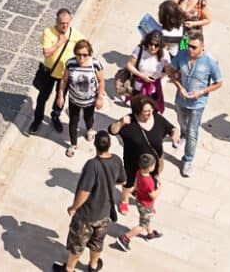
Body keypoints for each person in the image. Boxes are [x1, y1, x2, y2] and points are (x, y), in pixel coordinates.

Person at [61, 130, 128, 268]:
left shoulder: (92, 165)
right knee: (97, 243)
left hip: (86, 215)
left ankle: (69, 269)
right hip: (104, 213)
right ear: (109, 145)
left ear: (95, 145)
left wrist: (73, 208)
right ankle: (93, 265)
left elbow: (84, 191)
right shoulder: (116, 160)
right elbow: (122, 180)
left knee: (77, 244)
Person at [170, 28, 222, 176]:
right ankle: (183, 135)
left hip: (197, 104)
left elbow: (219, 83)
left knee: (193, 131)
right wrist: (179, 86)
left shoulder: (210, 62)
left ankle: (187, 160)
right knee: (181, 121)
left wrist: (202, 92)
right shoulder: (182, 55)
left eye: (194, 47)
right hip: (181, 99)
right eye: (189, 46)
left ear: (202, 47)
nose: (190, 50)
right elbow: (171, 71)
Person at [110, 96, 174, 196]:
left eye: (151, 109)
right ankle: (124, 200)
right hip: (132, 161)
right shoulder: (129, 121)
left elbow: (170, 128)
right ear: (137, 111)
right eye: (146, 111)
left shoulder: (156, 118)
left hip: (152, 162)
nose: (150, 113)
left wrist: (174, 132)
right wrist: (121, 122)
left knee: (151, 181)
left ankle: (141, 192)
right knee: (129, 182)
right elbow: (112, 131)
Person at [29, 6, 75, 133]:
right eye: (62, 23)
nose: (65, 26)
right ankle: (37, 120)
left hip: (64, 75)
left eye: (67, 23)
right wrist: (60, 42)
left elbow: (84, 51)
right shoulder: (48, 32)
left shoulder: (76, 35)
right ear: (56, 21)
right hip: (49, 72)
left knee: (60, 98)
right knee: (42, 98)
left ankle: (55, 116)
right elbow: (47, 53)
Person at [60, 36, 105, 156]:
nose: (81, 58)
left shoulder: (95, 64)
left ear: (89, 54)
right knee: (73, 122)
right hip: (74, 99)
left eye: (85, 55)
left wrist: (100, 97)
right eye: (78, 54)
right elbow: (64, 80)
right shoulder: (70, 63)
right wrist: (60, 95)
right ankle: (73, 144)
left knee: (88, 118)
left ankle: (89, 129)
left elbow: (101, 81)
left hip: (89, 101)